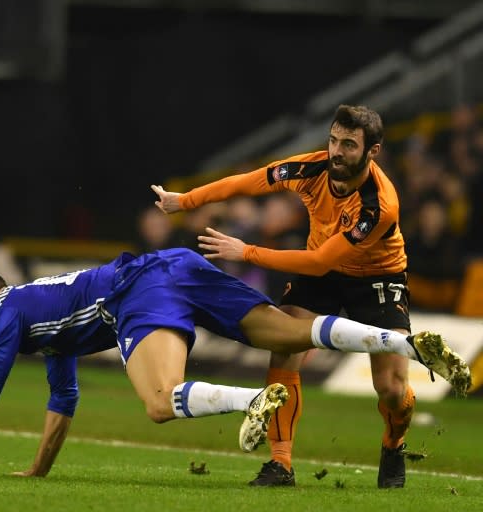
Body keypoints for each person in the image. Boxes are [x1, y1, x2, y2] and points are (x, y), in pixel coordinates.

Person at [0, 247, 469, 477]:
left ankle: (253, 400)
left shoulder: (10, 316)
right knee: (287, 334)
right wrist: (38, 472)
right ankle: (404, 344)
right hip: (175, 264)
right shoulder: (37, 321)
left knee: (156, 402)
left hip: (136, 289)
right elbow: (64, 396)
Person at [151, 104, 424, 488]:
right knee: (282, 350)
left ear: (372, 152)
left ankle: (393, 443)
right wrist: (187, 201)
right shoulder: (311, 168)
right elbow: (247, 182)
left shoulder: (379, 205)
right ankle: (281, 464)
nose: (336, 152)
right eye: (333, 140)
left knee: (392, 391)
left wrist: (245, 251)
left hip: (375, 277)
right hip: (324, 275)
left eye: (348, 144)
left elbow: (318, 261)